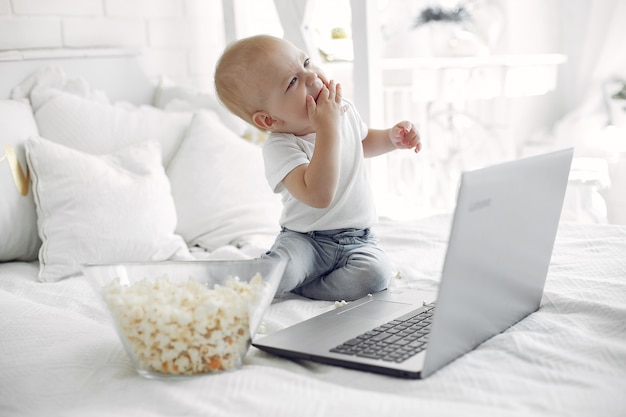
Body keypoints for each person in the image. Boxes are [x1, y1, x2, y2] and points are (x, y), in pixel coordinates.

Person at [214, 35, 421, 301]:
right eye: (292, 82)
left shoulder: (341, 112)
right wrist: (327, 128)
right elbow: (318, 194)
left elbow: (361, 142)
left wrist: (392, 138)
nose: (311, 77)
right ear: (269, 119)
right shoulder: (281, 146)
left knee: (375, 275)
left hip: (358, 239)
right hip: (305, 241)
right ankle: (285, 279)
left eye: (306, 62)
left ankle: (306, 286)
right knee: (279, 274)